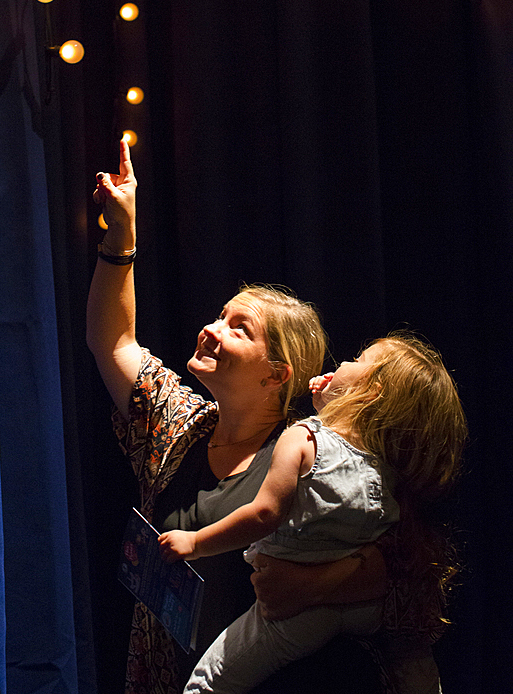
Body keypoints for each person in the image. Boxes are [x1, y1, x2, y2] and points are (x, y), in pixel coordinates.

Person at [86, 139, 446, 694]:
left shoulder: (311, 457)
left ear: (277, 374)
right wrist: (122, 238)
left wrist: (323, 583)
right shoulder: (178, 425)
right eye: (220, 316)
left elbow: (408, 575)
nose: (212, 328)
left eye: (239, 328)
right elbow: (112, 341)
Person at [157, 334, 467, 694]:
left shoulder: (303, 438)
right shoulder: (381, 467)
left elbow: (265, 514)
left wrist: (195, 542)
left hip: (298, 628)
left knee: (206, 684)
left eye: (356, 358)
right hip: (357, 620)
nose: (215, 330)